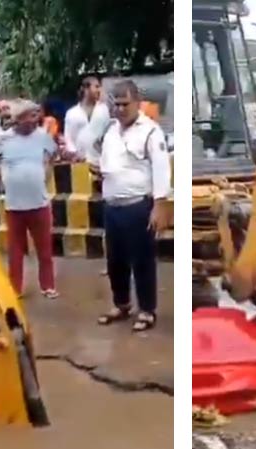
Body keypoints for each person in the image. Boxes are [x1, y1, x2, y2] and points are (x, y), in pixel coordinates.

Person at [95, 80, 171, 332]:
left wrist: (160, 205)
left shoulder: (150, 131)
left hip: (138, 206)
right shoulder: (110, 131)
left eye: (125, 104)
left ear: (137, 102)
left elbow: (161, 169)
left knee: (142, 261)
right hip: (112, 206)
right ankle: (122, 304)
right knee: (115, 260)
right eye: (115, 104)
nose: (120, 109)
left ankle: (147, 310)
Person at [0, 100, 59, 299]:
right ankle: (15, 288)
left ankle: (48, 286)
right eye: (29, 116)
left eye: (35, 115)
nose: (34, 120)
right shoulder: (3, 139)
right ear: (18, 120)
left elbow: (53, 154)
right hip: (14, 205)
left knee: (44, 249)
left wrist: (47, 172)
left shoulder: (42, 137)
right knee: (16, 252)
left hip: (39, 202)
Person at [64, 76, 110, 160]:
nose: (99, 90)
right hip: (79, 161)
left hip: (101, 160)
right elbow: (68, 138)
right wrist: (75, 154)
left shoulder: (103, 109)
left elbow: (108, 132)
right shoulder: (72, 113)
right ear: (86, 88)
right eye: (96, 86)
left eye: (99, 87)